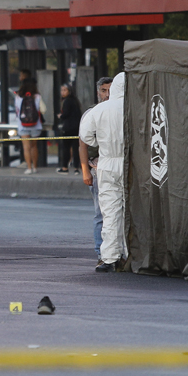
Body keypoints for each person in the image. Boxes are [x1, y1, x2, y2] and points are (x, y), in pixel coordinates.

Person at [80, 73, 126, 273]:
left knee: (109, 212)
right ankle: (129, 254)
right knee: (130, 211)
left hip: (106, 163)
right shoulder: (134, 108)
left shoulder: (99, 110)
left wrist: (101, 143)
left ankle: (109, 257)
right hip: (128, 163)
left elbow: (86, 136)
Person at [80, 78, 113, 258]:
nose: (107, 95)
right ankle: (100, 252)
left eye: (110, 90)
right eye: (103, 90)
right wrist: (85, 170)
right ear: (97, 92)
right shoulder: (92, 113)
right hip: (97, 166)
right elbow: (83, 144)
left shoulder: (120, 109)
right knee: (101, 213)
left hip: (115, 165)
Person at [14, 78, 45, 175]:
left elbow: (17, 111)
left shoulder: (18, 97)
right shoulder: (37, 96)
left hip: (22, 125)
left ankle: (29, 168)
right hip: (36, 125)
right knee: (34, 147)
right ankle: (35, 167)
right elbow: (43, 109)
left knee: (26, 147)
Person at [55, 83, 81, 173]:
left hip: (68, 128)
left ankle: (65, 167)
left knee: (66, 148)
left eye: (64, 90)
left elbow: (65, 114)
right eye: (61, 90)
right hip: (77, 127)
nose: (62, 92)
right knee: (76, 148)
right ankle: (76, 168)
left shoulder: (67, 101)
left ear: (69, 91)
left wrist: (60, 116)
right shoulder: (75, 101)